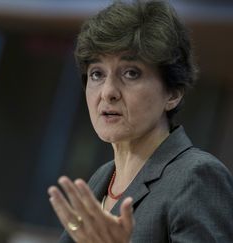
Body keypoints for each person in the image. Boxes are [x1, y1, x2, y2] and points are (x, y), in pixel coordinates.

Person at [47, 1, 233, 242]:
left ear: (173, 93)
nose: (108, 92)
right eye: (97, 74)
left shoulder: (197, 177)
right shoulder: (102, 178)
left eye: (131, 73)